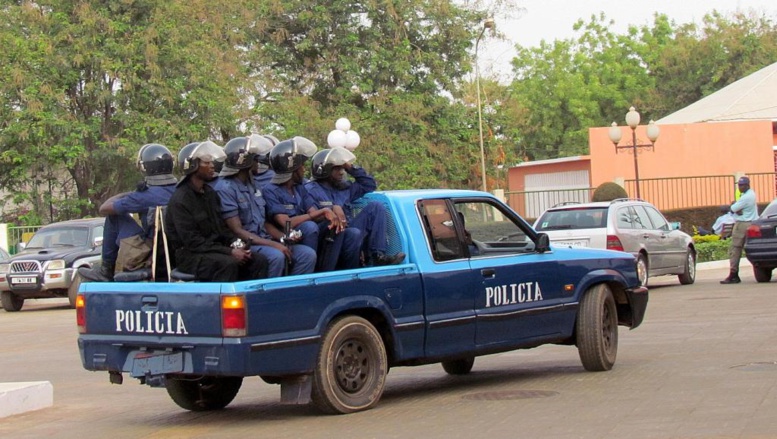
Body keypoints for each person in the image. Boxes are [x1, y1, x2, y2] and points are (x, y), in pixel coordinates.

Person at [164, 140, 268, 282]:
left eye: (212, 162)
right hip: (191, 255)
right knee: (227, 264)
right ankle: (223, 303)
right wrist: (230, 252)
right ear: (192, 166)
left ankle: (252, 302)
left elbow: (222, 230)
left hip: (215, 249)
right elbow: (194, 243)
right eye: (206, 163)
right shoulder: (180, 199)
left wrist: (236, 244)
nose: (212, 166)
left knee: (258, 260)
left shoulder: (210, 193)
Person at [215, 136, 316, 277]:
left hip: (264, 239)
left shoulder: (253, 184)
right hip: (246, 244)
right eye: (255, 159)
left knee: (307, 255)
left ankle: (292, 293)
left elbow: (265, 222)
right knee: (276, 256)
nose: (258, 163)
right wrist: (273, 245)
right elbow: (237, 230)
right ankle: (271, 296)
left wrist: (281, 237)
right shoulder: (225, 188)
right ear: (246, 162)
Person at [78, 143, 178, 282]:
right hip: (178, 254)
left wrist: (129, 194)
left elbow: (104, 209)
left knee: (114, 217)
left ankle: (106, 270)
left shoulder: (142, 197)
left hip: (149, 253)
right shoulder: (182, 190)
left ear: (145, 167)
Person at [262, 137, 351, 271]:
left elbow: (313, 211)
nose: (304, 170)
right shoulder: (270, 190)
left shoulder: (299, 187)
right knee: (309, 226)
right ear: (292, 169)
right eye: (301, 166)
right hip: (285, 235)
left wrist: (332, 212)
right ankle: (310, 272)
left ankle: (326, 271)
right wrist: (322, 211)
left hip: (305, 232)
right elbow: (287, 223)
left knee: (334, 225)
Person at [305, 148, 405, 266]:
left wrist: (350, 167)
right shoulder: (310, 189)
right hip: (329, 238)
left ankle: (378, 256)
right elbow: (313, 217)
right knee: (353, 233)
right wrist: (332, 208)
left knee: (376, 207)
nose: (342, 172)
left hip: (349, 230)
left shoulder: (344, 188)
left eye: (342, 168)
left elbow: (369, 184)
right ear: (324, 170)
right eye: (337, 169)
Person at [720, 176, 758, 284]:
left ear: (747, 185)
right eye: (739, 185)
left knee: (735, 249)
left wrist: (734, 207)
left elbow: (731, 209)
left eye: (742, 185)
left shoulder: (746, 197)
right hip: (750, 223)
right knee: (749, 249)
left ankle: (733, 274)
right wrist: (736, 208)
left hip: (742, 224)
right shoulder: (750, 194)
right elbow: (736, 209)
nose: (740, 187)